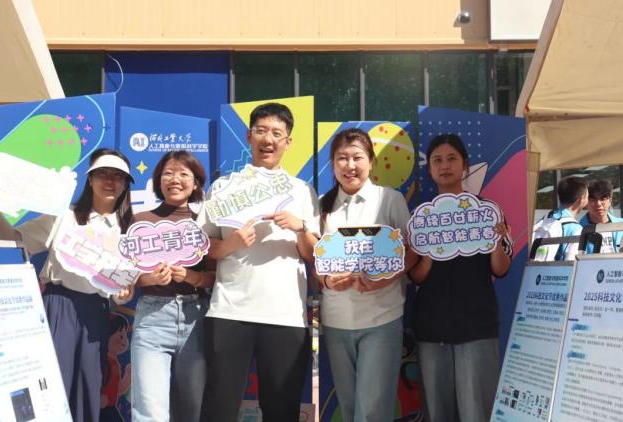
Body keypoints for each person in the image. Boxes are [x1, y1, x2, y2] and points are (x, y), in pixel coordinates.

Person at [0, 148, 135, 422]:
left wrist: (124, 295)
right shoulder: (63, 217)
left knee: (88, 386)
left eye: (117, 176)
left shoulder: (130, 231)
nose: (109, 181)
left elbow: (123, 289)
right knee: (50, 386)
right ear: (89, 179)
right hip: (58, 306)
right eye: (102, 174)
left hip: (97, 314)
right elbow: (15, 239)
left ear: (126, 184)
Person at [199, 102, 320, 422]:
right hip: (229, 311)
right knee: (219, 408)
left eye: (277, 133)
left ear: (288, 142)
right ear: (248, 136)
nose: (268, 139)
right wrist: (231, 243)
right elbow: (204, 248)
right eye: (261, 131)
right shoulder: (224, 187)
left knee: (282, 410)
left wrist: (301, 228)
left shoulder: (302, 190)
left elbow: (313, 255)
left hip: (286, 315)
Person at [409, 134, 512, 422]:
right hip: (432, 326)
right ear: (430, 168)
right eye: (437, 161)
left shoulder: (487, 212)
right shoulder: (420, 217)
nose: (444, 166)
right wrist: (430, 250)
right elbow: (416, 276)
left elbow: (501, 269)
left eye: (451, 159)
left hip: (477, 325)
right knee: (437, 411)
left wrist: (496, 243)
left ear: (465, 165)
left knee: (476, 410)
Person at [318, 128, 412, 422]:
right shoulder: (322, 205)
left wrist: (388, 277)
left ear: (371, 161)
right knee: (348, 408)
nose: (350, 165)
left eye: (357, 157)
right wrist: (327, 280)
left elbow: (412, 251)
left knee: (372, 412)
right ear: (333, 164)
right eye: (341, 158)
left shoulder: (390, 199)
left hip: (381, 319)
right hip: (336, 321)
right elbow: (315, 259)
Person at [131, 150, 215, 422]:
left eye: (183, 174)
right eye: (168, 173)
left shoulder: (204, 222)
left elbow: (215, 277)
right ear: (158, 181)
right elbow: (126, 276)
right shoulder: (140, 221)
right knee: (150, 410)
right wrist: (151, 278)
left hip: (195, 318)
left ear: (195, 182)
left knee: (192, 409)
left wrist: (190, 277)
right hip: (152, 319)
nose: (175, 179)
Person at [547, 176, 588, 260]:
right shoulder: (575, 229)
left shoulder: (546, 219)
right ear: (581, 199)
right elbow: (573, 263)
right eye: (588, 196)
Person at [579, 179, 623, 253]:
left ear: (610, 201)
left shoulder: (621, 225)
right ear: (586, 202)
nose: (598, 204)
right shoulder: (579, 229)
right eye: (593, 199)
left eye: (603, 199)